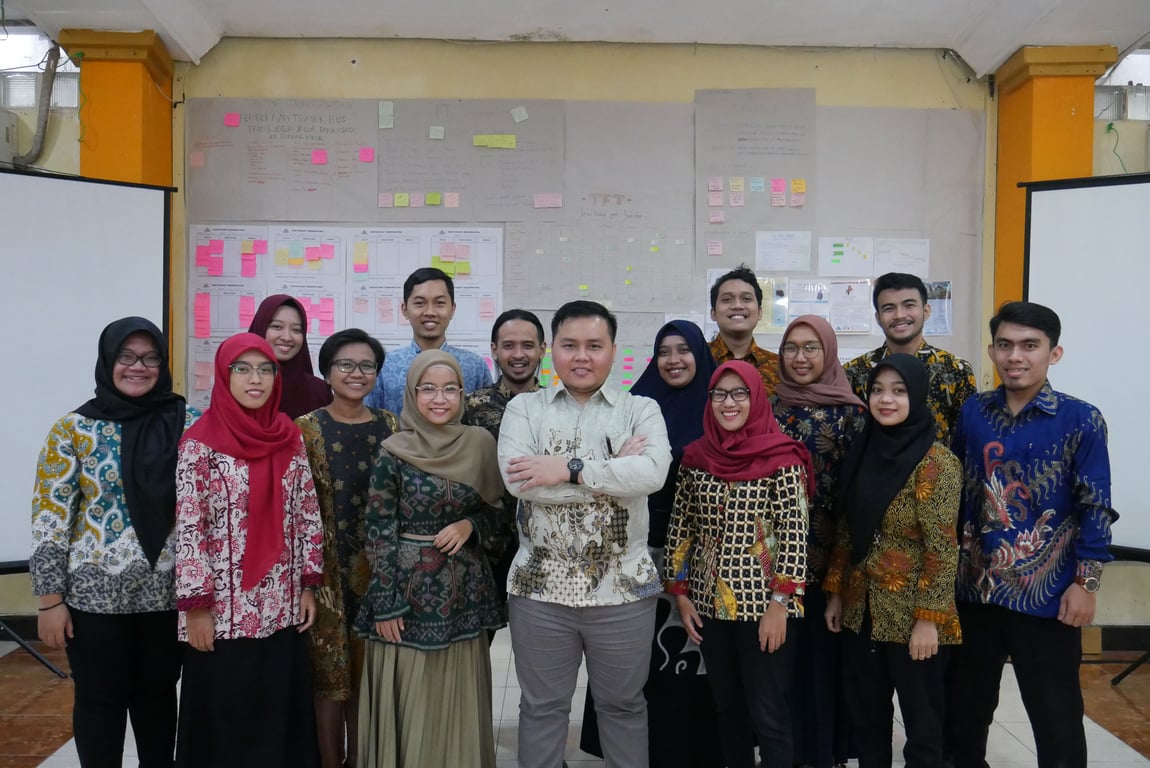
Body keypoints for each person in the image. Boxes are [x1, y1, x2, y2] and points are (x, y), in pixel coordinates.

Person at [497, 300, 672, 768]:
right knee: (542, 708)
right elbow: (520, 483)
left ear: (613, 350)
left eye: (594, 345)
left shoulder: (641, 409)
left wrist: (567, 469)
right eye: (570, 345)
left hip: (623, 590)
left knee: (623, 706)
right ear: (551, 349)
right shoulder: (524, 409)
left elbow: (652, 474)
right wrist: (613, 472)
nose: (581, 356)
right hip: (539, 589)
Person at [947, 301, 1116, 768]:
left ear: (1053, 353)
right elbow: (955, 491)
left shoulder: (1081, 419)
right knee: (964, 714)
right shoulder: (974, 412)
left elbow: (1095, 506)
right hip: (974, 592)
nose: (1015, 356)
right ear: (992, 351)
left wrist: (1086, 584)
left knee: (1056, 718)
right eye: (1005, 345)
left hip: (1047, 597)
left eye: (1029, 346)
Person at [31, 317, 198, 768]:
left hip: (167, 598)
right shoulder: (73, 430)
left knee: (158, 698)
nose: (138, 367)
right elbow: (50, 520)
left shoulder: (189, 424)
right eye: (126, 356)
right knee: (99, 700)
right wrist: (49, 602)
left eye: (149, 358)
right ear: (108, 361)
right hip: (93, 603)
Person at [174, 333, 324, 768]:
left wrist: (309, 585)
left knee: (276, 712)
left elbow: (307, 512)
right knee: (228, 715)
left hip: (280, 605)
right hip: (223, 612)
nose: (255, 379)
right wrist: (196, 608)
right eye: (242, 369)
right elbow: (189, 526)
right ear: (224, 376)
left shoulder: (288, 436)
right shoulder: (199, 443)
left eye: (265, 369)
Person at [579, 319, 723, 767]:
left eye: (684, 350)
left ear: (700, 355)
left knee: (691, 654)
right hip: (635, 553)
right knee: (633, 659)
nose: (673, 360)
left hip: (699, 557)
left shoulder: (718, 410)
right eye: (664, 351)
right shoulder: (633, 408)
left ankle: (694, 752)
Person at [356, 350, 505, 768]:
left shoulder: (480, 443)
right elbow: (378, 526)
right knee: (412, 690)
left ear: (462, 394)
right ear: (412, 393)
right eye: (428, 389)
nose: (440, 399)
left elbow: (500, 513)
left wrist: (470, 525)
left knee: (454, 693)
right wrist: (386, 602)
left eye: (450, 389)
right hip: (405, 594)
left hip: (463, 594)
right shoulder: (393, 450)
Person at [666, 360, 811, 768]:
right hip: (711, 608)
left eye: (739, 393)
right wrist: (681, 594)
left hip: (765, 609)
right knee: (727, 709)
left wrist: (779, 605)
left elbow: (795, 534)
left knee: (769, 713)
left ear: (756, 397)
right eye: (719, 394)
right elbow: (681, 527)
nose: (728, 403)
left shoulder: (783, 459)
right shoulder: (696, 457)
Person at [823, 353, 963, 768]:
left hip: (914, 617)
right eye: (878, 390)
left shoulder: (937, 462)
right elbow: (848, 528)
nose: (886, 400)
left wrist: (928, 620)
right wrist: (835, 593)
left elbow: (942, 548)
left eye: (899, 391)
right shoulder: (864, 450)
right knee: (867, 723)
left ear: (916, 396)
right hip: (861, 609)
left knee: (923, 728)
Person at [297, 329, 399, 768]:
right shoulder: (304, 429)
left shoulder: (391, 427)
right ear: (327, 372)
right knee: (328, 676)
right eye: (346, 365)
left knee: (367, 676)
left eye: (366, 366)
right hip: (324, 574)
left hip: (380, 571)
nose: (356, 374)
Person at [770, 315, 867, 768]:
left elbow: (857, 496)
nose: (801, 357)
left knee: (826, 662)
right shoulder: (767, 409)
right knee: (781, 663)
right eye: (791, 347)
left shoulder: (854, 414)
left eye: (812, 347)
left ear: (828, 353)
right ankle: (783, 752)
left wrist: (841, 574)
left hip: (832, 559)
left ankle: (825, 753)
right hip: (775, 562)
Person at [462, 308, 545, 631]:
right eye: (509, 346)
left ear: (542, 350)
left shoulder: (556, 405)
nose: (518, 354)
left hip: (542, 543)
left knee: (541, 639)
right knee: (478, 636)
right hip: (486, 541)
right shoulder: (471, 406)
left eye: (528, 345)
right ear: (494, 350)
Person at [843, 272, 976, 443]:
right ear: (878, 318)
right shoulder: (854, 372)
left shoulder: (956, 370)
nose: (899, 315)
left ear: (926, 311)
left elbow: (966, 441)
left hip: (936, 460)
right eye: (889, 308)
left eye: (909, 305)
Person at [367, 267, 492, 417]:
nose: (430, 312)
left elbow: (487, 419)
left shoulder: (475, 367)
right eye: (420, 303)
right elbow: (369, 419)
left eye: (439, 303)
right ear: (405, 309)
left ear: (452, 309)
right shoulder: (384, 367)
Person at [249, 294, 333, 418]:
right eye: (277, 327)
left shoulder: (318, 391)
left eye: (296, 330)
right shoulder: (240, 383)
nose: (287, 337)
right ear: (260, 328)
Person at [708, 264, 781, 396]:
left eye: (746, 299)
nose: (737, 305)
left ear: (760, 312)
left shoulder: (778, 366)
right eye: (727, 299)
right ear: (713, 313)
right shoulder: (697, 359)